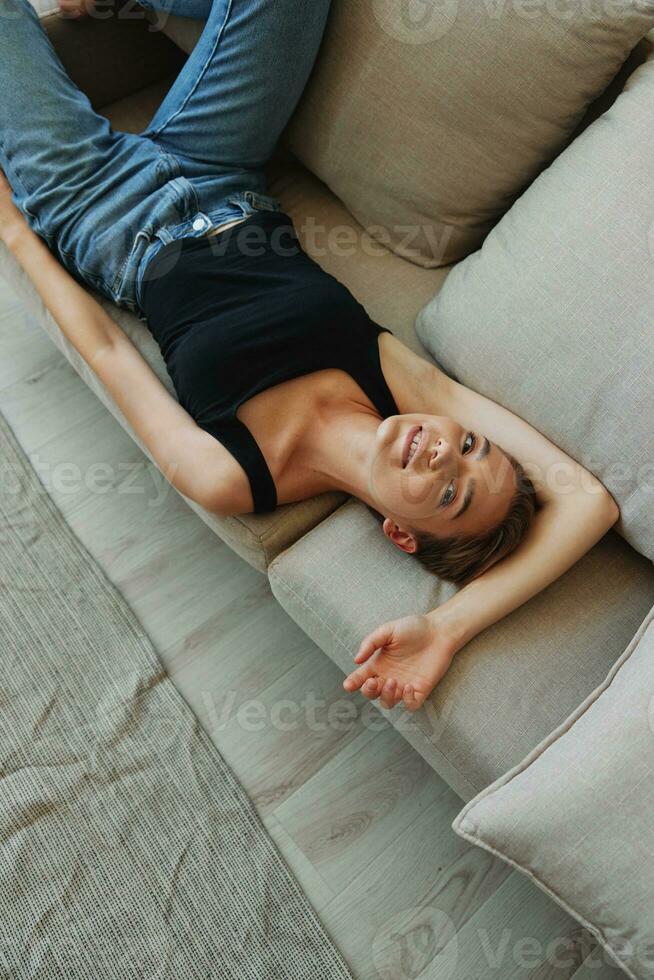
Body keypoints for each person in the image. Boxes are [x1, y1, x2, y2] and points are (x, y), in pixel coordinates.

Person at [0, 0, 619, 713]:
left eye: (449, 495)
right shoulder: (394, 379)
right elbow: (588, 501)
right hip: (223, 163)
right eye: (472, 444)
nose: (444, 453)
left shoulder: (237, 476)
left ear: (399, 534)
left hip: (96, 208)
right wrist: (452, 621)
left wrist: (16, 233)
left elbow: (108, 350)